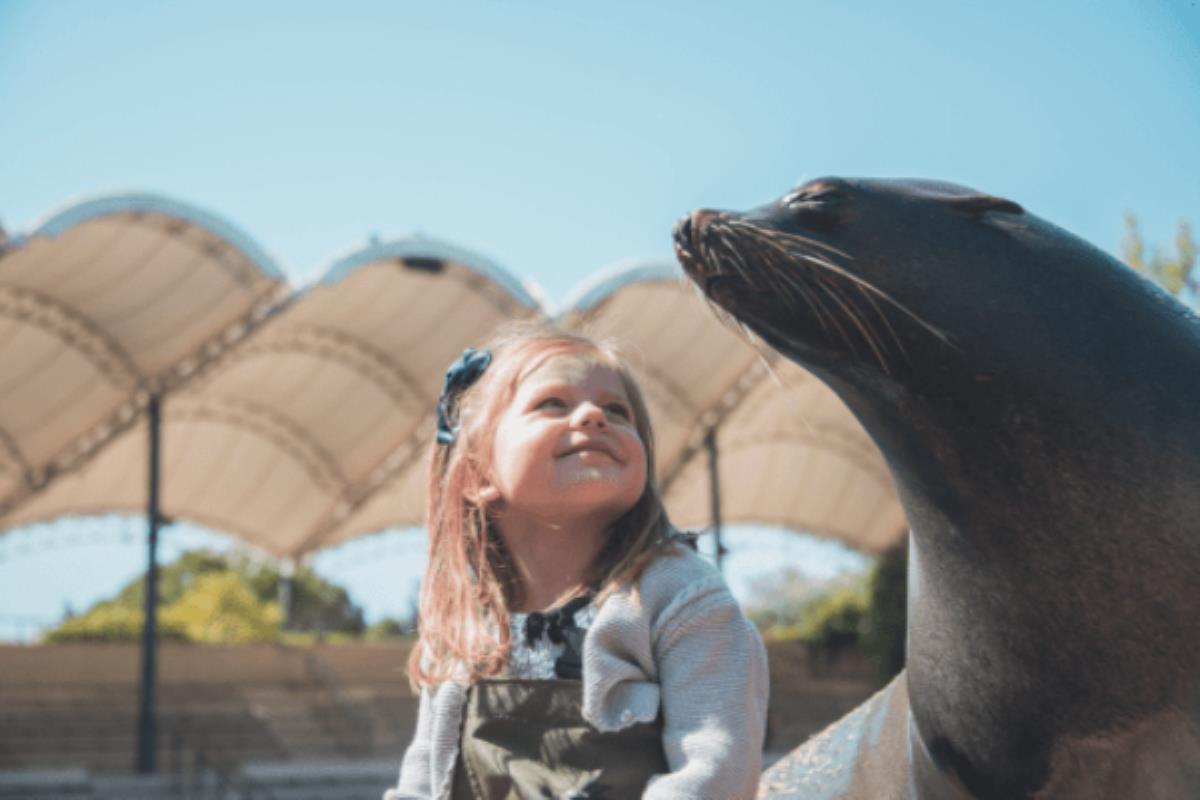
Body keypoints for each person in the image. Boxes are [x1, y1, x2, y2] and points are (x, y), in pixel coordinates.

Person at [385, 323, 769, 800]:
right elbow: (423, 779)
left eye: (617, 410)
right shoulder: (465, 623)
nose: (593, 416)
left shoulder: (680, 596)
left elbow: (715, 771)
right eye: (553, 404)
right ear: (477, 471)